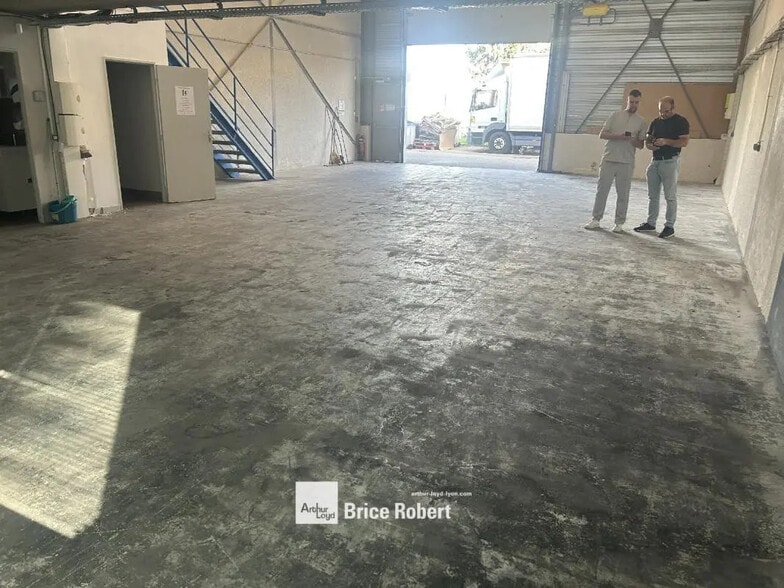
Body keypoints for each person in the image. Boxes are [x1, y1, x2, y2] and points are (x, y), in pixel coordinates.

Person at [584, 89, 647, 233]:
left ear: (639, 102)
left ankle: (619, 223)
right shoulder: (615, 115)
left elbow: (641, 144)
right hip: (609, 158)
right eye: (631, 102)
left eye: (636, 102)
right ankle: (596, 219)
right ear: (627, 100)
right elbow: (602, 134)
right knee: (602, 191)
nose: (633, 105)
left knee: (623, 194)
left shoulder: (642, 122)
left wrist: (632, 139)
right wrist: (619, 136)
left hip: (627, 162)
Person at [633, 96, 690, 239]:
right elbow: (648, 140)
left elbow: (684, 142)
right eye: (660, 111)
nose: (663, 114)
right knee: (652, 195)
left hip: (670, 161)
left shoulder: (681, 121)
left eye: (666, 111)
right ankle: (650, 223)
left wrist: (666, 142)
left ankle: (669, 226)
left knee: (670, 196)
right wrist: (650, 145)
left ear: (673, 108)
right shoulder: (655, 122)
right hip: (655, 161)